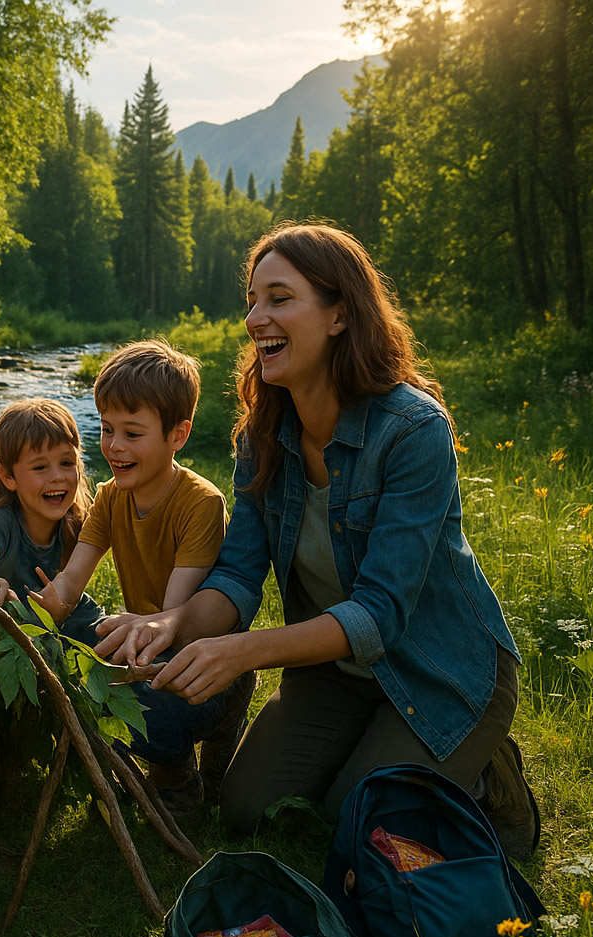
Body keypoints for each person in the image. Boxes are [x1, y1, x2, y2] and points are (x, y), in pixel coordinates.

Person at [101, 223, 538, 857]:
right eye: (252, 301)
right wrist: (172, 623)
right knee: (247, 809)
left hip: (439, 672)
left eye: (279, 298)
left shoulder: (413, 430)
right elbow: (237, 575)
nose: (256, 318)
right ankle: (374, 743)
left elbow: (380, 612)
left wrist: (245, 652)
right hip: (334, 676)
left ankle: (488, 775)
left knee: (354, 822)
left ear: (339, 314)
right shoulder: (259, 438)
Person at [35, 340, 255, 815]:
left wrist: (120, 642)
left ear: (178, 435)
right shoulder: (112, 497)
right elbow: (73, 579)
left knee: (222, 783)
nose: (114, 446)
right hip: (150, 647)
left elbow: (173, 617)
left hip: (204, 656)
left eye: (132, 433)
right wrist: (48, 603)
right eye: (107, 428)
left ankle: (185, 779)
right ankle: (171, 772)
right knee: (86, 671)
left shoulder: (200, 502)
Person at [0, 398, 104, 646]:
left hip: (50, 617)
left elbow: (70, 595)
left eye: (67, 463)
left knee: (102, 629)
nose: (57, 477)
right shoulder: (1, 522)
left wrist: (59, 604)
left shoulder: (75, 523)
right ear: (8, 476)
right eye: (40, 467)